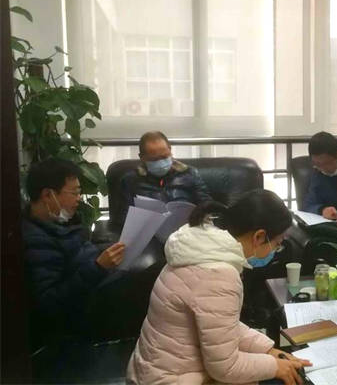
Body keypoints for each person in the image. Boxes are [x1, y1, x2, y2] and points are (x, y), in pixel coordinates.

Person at [127, 189, 311, 384]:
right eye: (277, 244)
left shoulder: (197, 248)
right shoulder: (218, 274)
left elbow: (220, 325)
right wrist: (275, 366)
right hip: (172, 378)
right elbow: (226, 367)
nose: (276, 250)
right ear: (259, 236)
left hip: (155, 369)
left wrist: (267, 350)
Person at [21, 158, 126, 344]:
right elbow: (49, 303)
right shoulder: (35, 241)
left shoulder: (59, 221)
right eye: (74, 193)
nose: (79, 198)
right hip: (88, 314)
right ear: (47, 195)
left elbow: (79, 253)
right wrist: (98, 267)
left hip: (102, 291)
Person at [119, 131, 212, 224]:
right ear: (142, 157)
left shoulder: (190, 173)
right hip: (150, 230)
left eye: (164, 156)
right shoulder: (131, 180)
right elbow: (124, 218)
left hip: (187, 229)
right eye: (154, 159)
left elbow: (206, 205)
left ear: (170, 150)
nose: (161, 162)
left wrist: (203, 215)